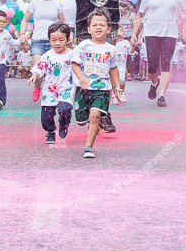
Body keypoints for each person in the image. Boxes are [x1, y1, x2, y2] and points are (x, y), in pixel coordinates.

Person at [63, 0, 132, 133]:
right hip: (85, 24)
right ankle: (84, 106)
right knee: (86, 68)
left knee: (105, 69)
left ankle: (104, 112)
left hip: (109, 25)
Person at [130, 0, 186, 109]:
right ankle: (154, 84)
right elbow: (140, 15)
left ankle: (162, 96)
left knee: (166, 64)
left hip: (169, 33)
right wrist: (135, 33)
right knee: (152, 65)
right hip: (151, 32)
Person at [71, 9, 125, 159]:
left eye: (102, 25)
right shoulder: (83, 46)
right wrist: (81, 78)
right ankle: (91, 123)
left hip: (102, 88)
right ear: (89, 29)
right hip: (83, 88)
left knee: (94, 115)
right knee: (81, 121)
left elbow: (113, 69)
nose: (98, 27)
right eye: (95, 25)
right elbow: (75, 64)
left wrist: (117, 88)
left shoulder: (112, 49)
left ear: (109, 29)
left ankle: (88, 147)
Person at [28, 22, 75, 144]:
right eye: (54, 40)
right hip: (49, 90)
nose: (57, 43)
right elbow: (40, 67)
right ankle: (50, 131)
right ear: (49, 40)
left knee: (65, 109)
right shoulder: (48, 55)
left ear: (68, 39)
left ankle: (64, 124)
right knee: (46, 116)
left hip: (66, 89)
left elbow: (79, 67)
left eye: (61, 40)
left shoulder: (72, 55)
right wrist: (35, 75)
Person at [21, 0, 66, 99]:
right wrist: (22, 34)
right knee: (38, 71)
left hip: (53, 42)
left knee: (55, 71)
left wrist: (68, 37)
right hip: (38, 41)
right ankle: (38, 86)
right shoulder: (34, 3)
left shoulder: (57, 3)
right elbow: (25, 20)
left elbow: (63, 23)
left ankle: (54, 93)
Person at [115, 26, 132, 94]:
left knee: (122, 80)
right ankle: (116, 94)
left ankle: (121, 93)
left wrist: (133, 47)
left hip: (121, 64)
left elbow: (130, 51)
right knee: (113, 81)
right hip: (112, 64)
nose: (119, 35)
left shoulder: (125, 42)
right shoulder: (112, 42)